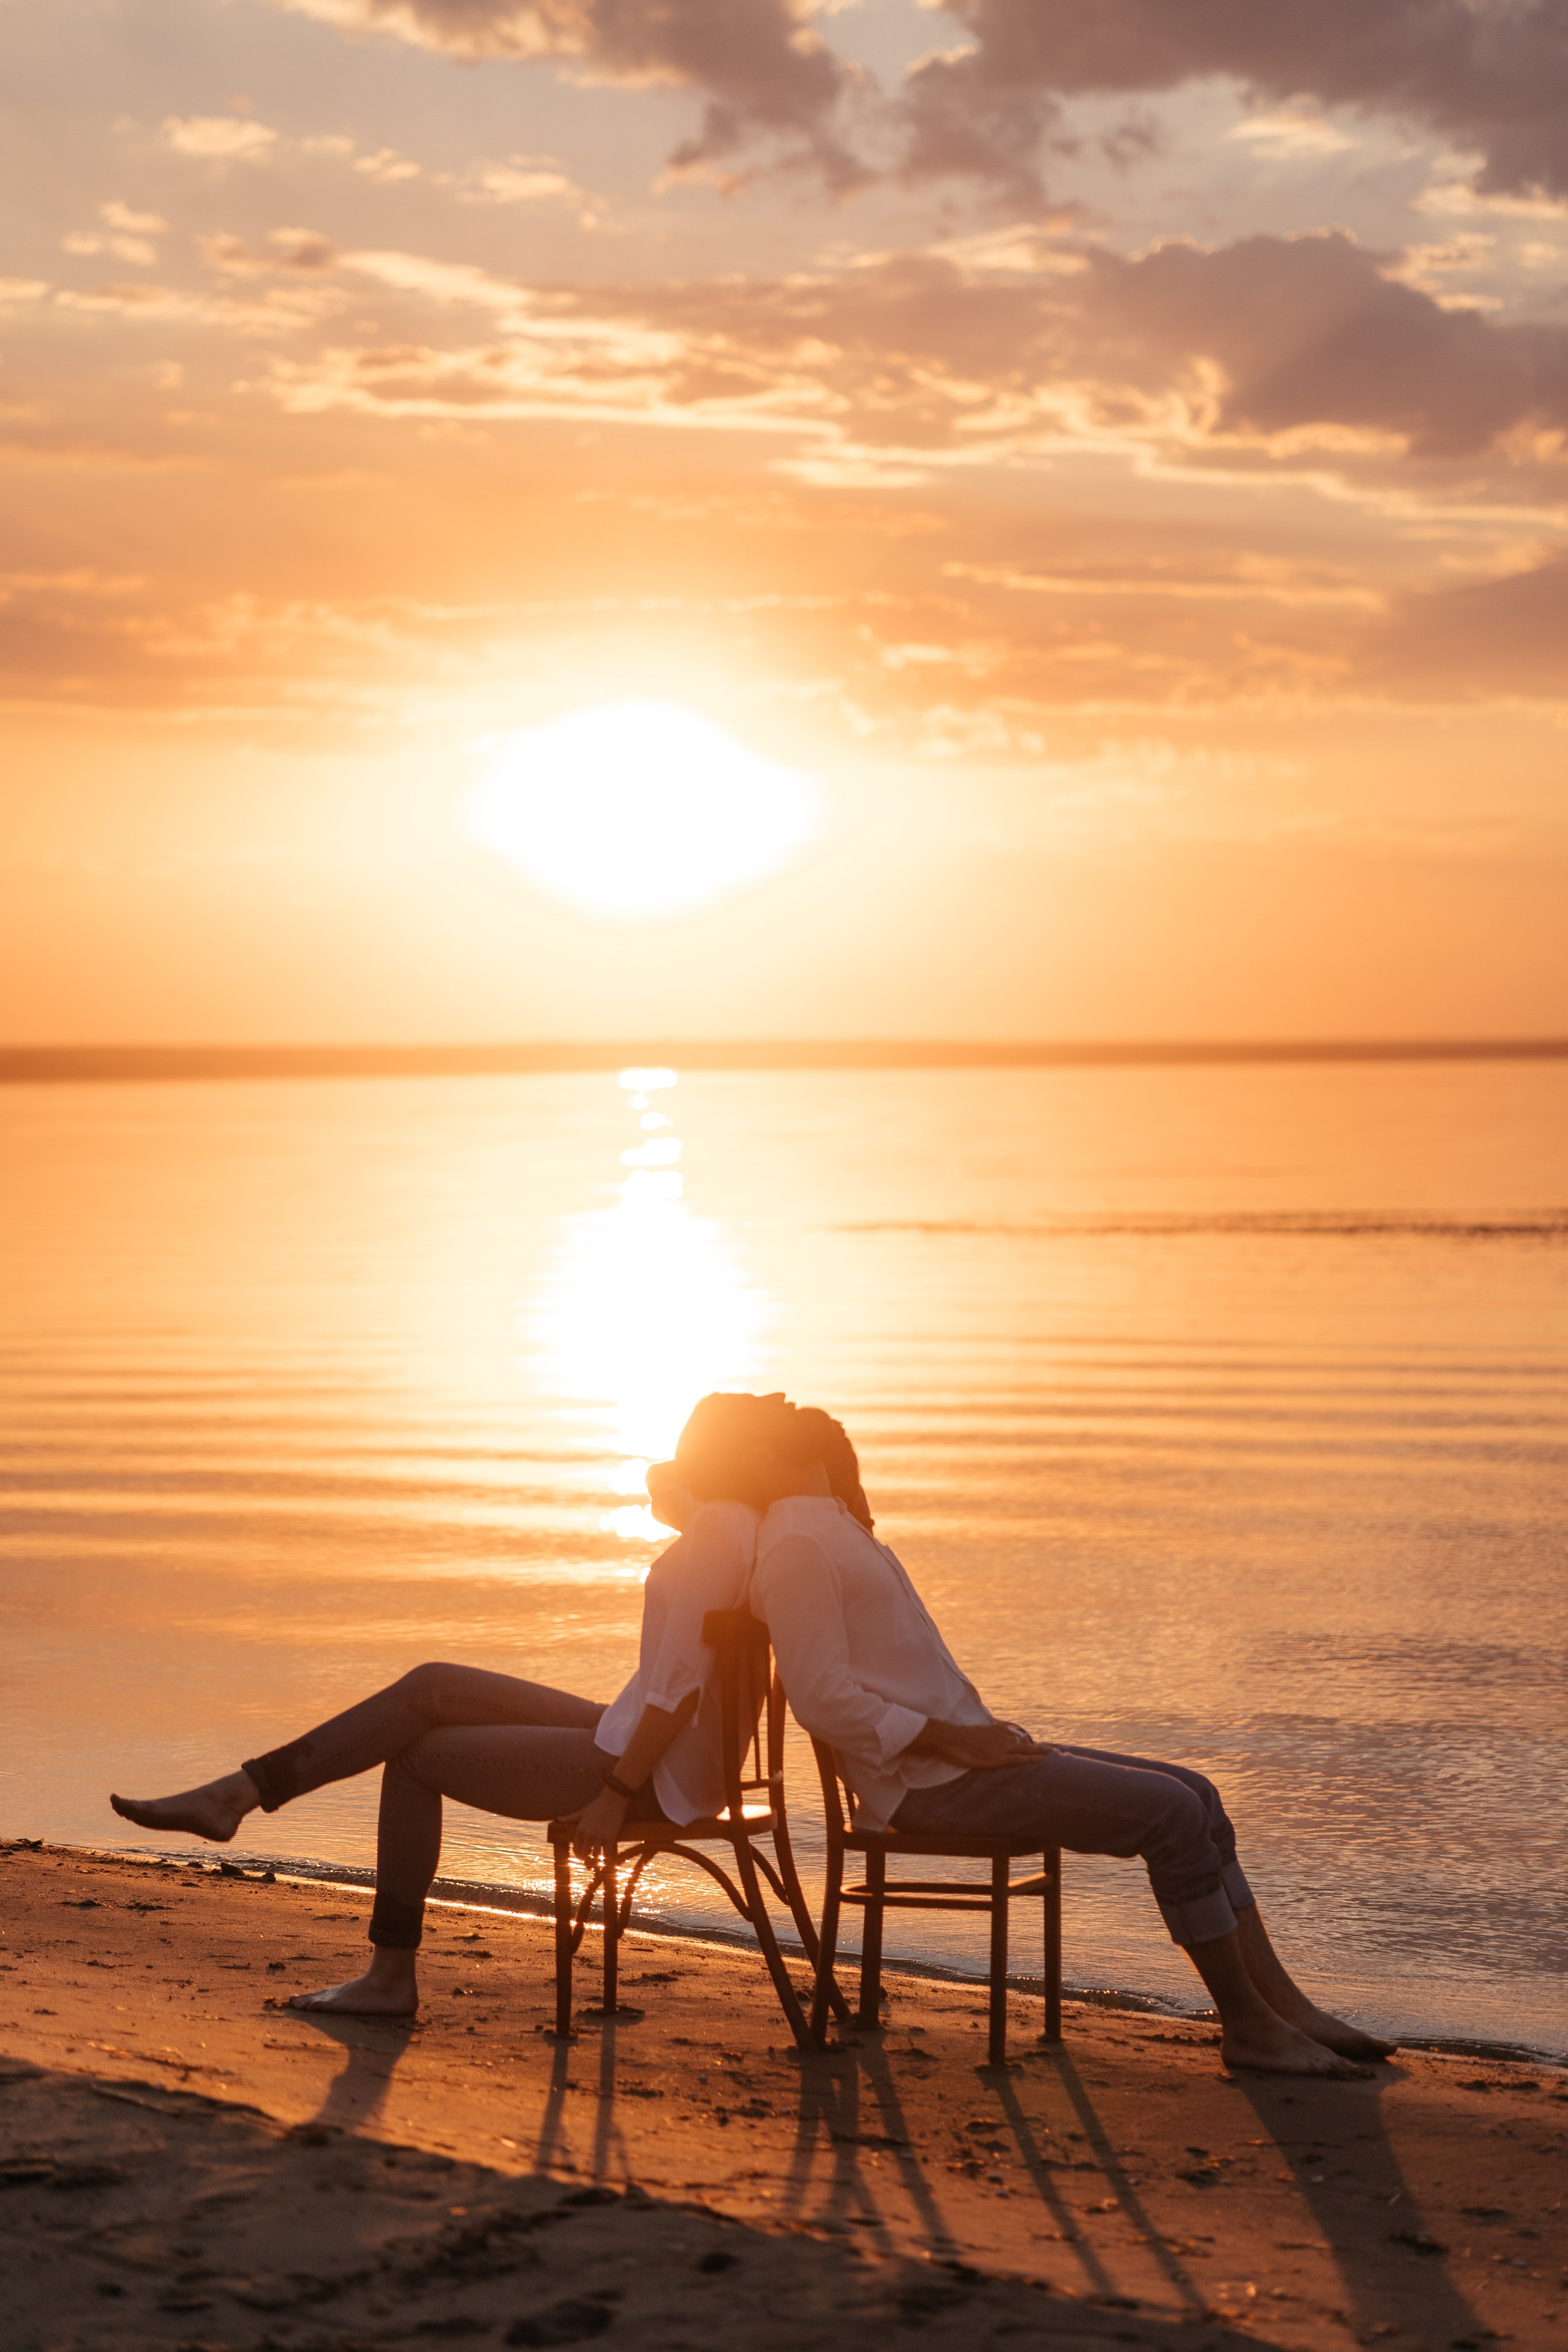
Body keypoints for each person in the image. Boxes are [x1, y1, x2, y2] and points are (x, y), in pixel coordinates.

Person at [733, 1397, 1396, 2079]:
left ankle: (1282, 2005)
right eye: (767, 1412)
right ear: (761, 1454)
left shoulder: (833, 1528)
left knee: (1196, 1793)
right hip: (929, 1786)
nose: (785, 1406)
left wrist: (972, 1738)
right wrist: (952, 1742)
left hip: (963, 1761)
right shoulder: (796, 1545)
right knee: (1169, 1814)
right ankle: (1248, 2026)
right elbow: (818, 1698)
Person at [108, 1393, 782, 2016]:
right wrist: (676, 1494)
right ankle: (237, 1794)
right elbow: (677, 1675)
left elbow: (678, 1688)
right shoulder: (740, 1522)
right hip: (638, 1735)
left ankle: (388, 1976)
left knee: (415, 1761)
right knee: (432, 1687)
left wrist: (613, 1792)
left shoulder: (720, 1528)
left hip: (646, 1768)